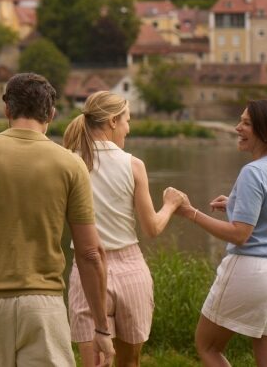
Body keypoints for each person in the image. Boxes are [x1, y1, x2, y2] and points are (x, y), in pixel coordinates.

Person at [0, 72, 115, 367]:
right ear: (52, 114)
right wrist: (102, 327)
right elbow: (91, 253)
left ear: (7, 110)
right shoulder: (71, 164)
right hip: (43, 304)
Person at [167, 99, 267, 367]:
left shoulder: (253, 172)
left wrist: (190, 212)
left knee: (207, 346)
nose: (237, 128)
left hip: (251, 271)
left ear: (266, 131)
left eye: (246, 123)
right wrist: (236, 206)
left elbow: (239, 235)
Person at [62, 91, 183, 367]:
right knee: (130, 364)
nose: (129, 128)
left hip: (87, 270)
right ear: (113, 121)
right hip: (130, 269)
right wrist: (171, 204)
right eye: (127, 120)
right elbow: (152, 228)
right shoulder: (134, 165)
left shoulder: (69, 162)